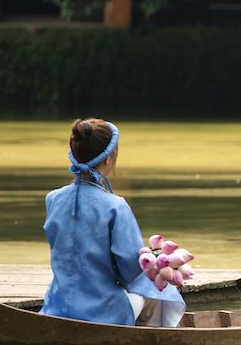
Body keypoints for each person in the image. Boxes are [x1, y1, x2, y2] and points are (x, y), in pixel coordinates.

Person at [41, 118, 186, 327]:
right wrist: (157, 264)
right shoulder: (115, 206)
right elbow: (131, 271)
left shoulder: (53, 198)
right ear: (109, 159)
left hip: (57, 306)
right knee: (160, 294)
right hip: (102, 311)